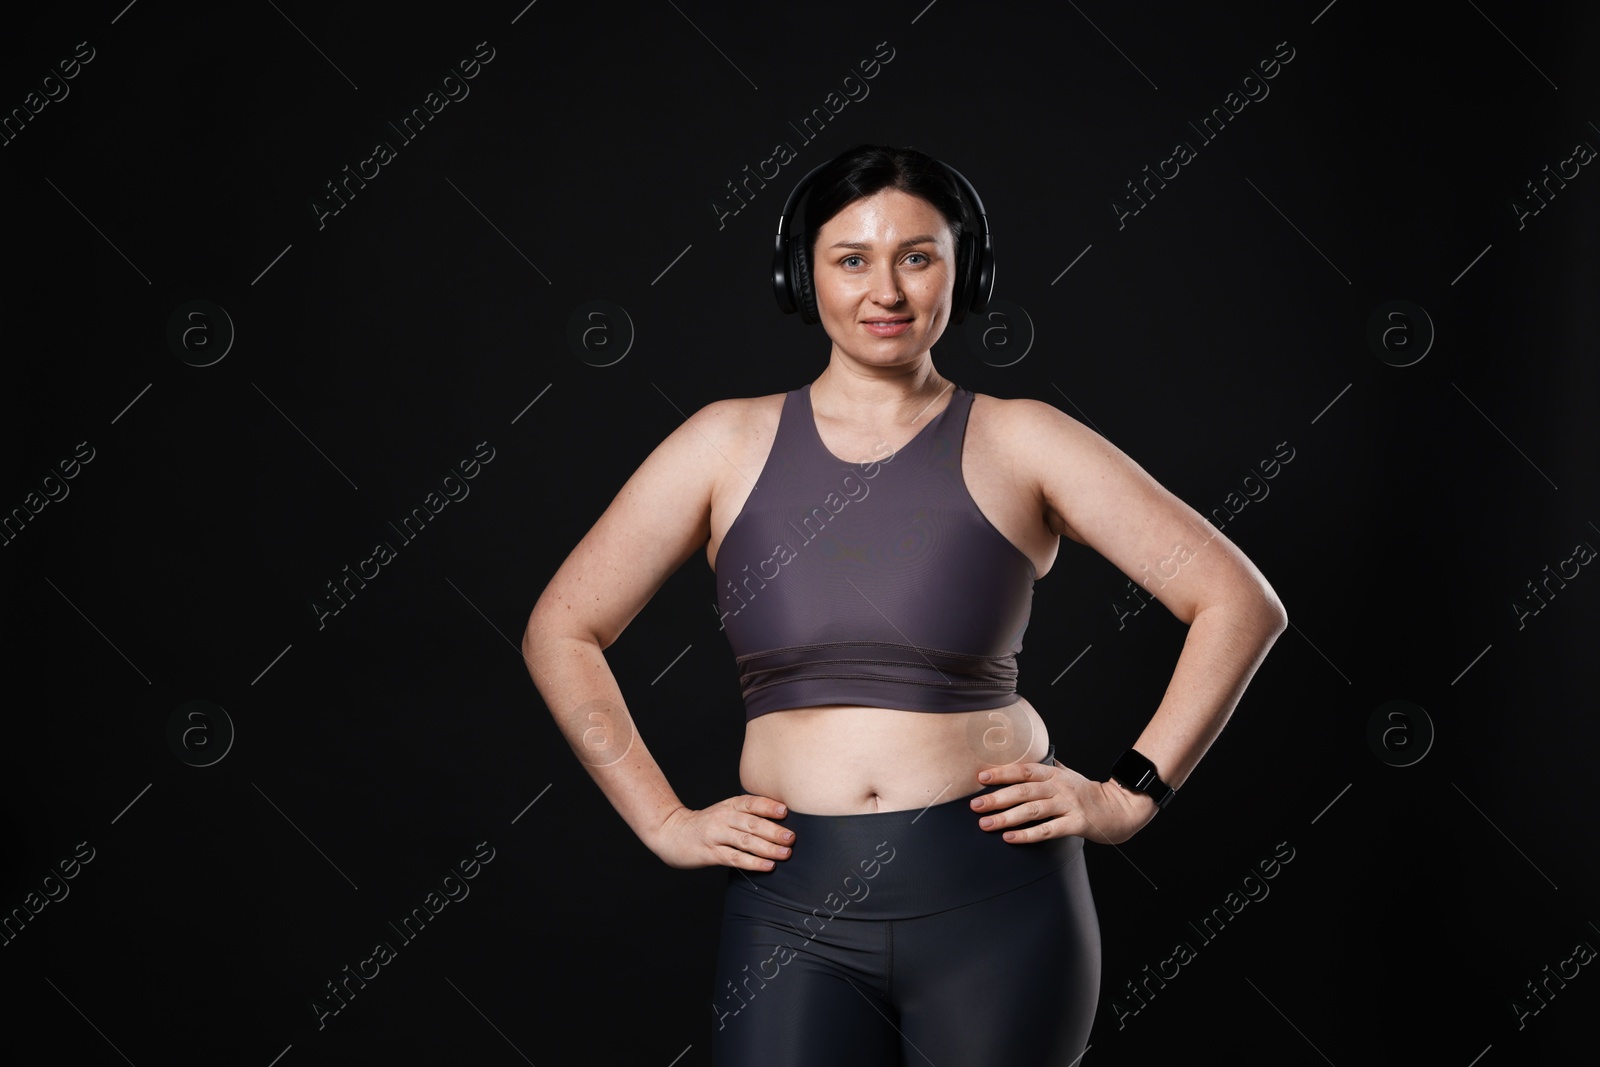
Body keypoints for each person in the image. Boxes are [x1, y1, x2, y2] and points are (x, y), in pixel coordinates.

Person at [521, 144, 1287, 1065]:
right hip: (790, 909)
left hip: (999, 902)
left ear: (965, 271)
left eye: (917, 256)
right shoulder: (722, 443)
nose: (886, 289)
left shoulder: (1024, 439)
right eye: (852, 259)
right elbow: (562, 630)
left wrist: (1130, 796)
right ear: (799, 275)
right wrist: (663, 820)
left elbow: (1237, 601)